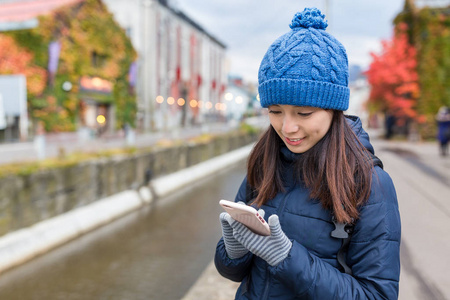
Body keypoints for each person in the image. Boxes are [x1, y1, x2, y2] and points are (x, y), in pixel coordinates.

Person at [214, 7, 401, 299]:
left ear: (334, 110)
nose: (287, 128)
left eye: (304, 112)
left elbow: (377, 294)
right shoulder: (266, 162)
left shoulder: (370, 183)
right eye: (275, 112)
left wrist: (287, 257)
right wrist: (233, 249)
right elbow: (232, 273)